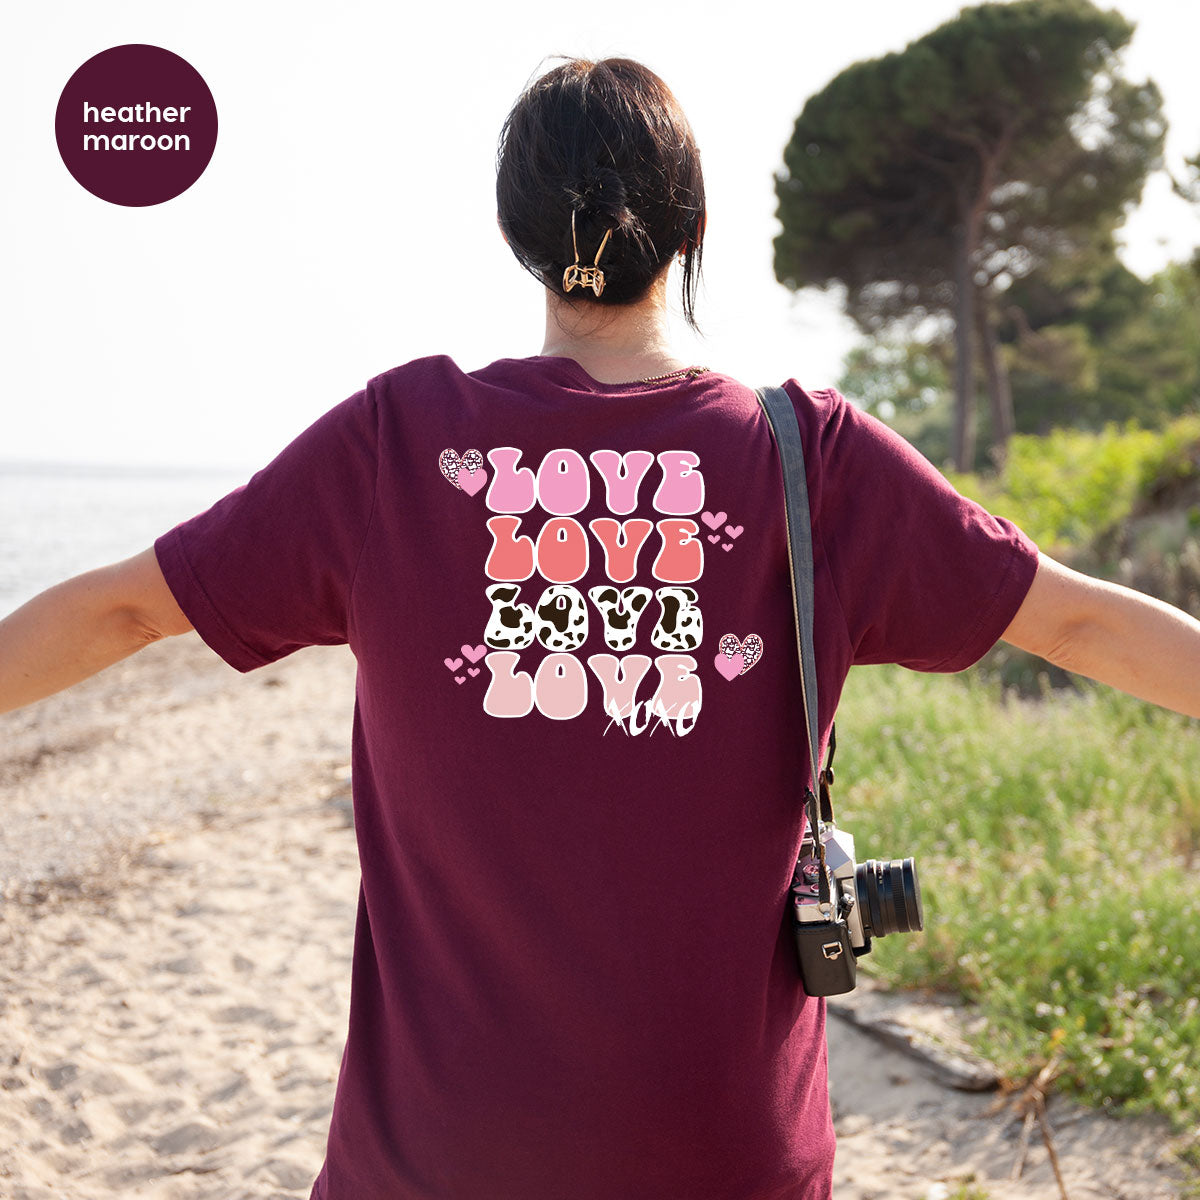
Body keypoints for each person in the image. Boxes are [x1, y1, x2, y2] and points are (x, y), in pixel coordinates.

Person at [1, 55, 1198, 1200]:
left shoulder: (396, 443)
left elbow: (127, 604)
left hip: (438, 1162)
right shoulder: (810, 460)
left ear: (517, 236)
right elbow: (1079, 624)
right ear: (695, 231)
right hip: (726, 1162)